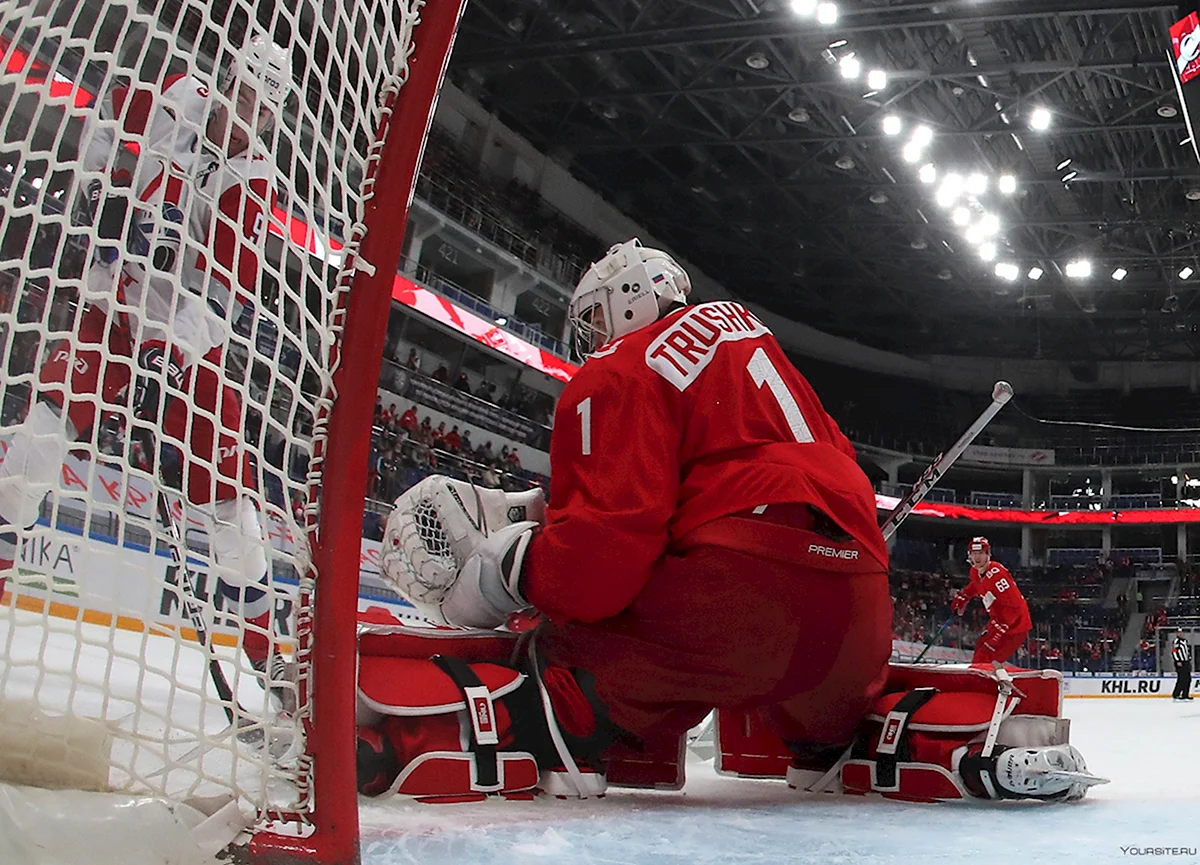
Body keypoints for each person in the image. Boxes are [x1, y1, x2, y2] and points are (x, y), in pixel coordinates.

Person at [371, 238, 894, 794]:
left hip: (740, 605)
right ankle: (816, 749)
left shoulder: (619, 367)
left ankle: (581, 736)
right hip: (856, 625)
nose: (592, 336)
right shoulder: (758, 344)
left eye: (595, 317)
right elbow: (838, 462)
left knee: (566, 652)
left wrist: (510, 568)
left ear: (629, 298)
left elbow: (598, 567)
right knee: (756, 637)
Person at [0, 33, 294, 710]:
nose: (249, 115)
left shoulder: (251, 181)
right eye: (245, 95)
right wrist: (103, 189)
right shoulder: (179, 95)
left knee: (228, 512)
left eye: (263, 109)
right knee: (32, 449)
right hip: (114, 304)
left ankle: (267, 663)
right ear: (227, 81)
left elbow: (221, 300)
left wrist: (171, 353)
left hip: (189, 346)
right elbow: (111, 106)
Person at [952, 537, 1032, 665]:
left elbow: (1015, 607)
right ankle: (988, 682)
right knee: (980, 652)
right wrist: (964, 596)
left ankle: (992, 683)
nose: (977, 557)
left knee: (985, 659)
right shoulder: (975, 571)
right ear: (969, 555)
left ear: (988, 554)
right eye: (974, 553)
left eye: (981, 553)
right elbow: (976, 585)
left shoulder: (997, 574)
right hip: (998, 621)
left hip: (1015, 627)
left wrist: (1000, 630)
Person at [1172, 628, 1193, 701]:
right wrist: (1177, 660)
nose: (1181, 634)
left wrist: (1189, 658)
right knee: (1181, 679)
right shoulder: (1176, 642)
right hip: (1180, 662)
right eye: (1179, 633)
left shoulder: (1185, 641)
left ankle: (1185, 695)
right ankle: (1176, 694)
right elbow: (1174, 651)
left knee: (1188, 679)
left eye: (1182, 633)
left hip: (1186, 662)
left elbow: (1186, 651)